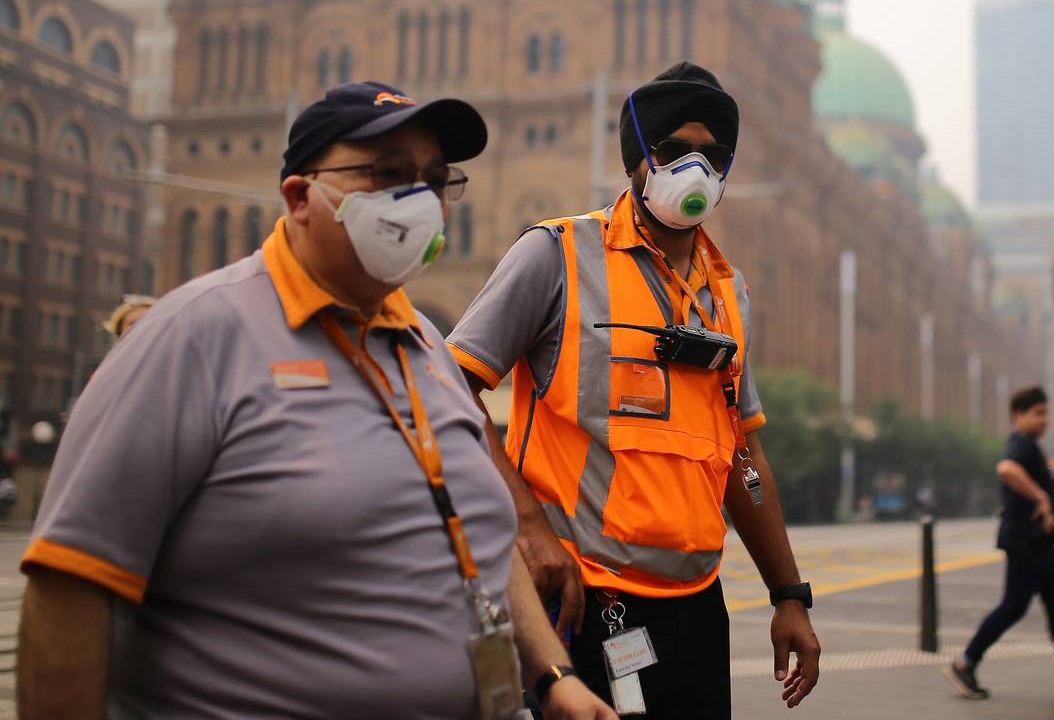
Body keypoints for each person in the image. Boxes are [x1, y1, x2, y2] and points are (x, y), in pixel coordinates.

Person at [17, 82, 614, 720]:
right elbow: (68, 585)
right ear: (301, 197)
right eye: (388, 174)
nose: (420, 199)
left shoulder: (427, 346)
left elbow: (482, 541)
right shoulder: (192, 335)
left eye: (435, 179)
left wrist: (553, 678)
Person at [448, 62, 820, 717]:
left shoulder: (727, 294)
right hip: (584, 600)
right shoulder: (555, 255)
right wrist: (530, 534)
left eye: (713, 155)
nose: (696, 168)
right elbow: (448, 389)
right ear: (635, 159)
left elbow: (742, 455)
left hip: (698, 605)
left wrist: (788, 592)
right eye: (676, 151)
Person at [944, 386, 1054, 701]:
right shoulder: (1021, 443)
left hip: (1039, 544)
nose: (1044, 419)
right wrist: (1042, 496)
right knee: (1014, 606)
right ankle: (964, 663)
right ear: (1017, 415)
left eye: (1046, 412)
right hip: (1026, 542)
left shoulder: (1029, 445)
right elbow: (1006, 469)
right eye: (1037, 413)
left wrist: (1051, 483)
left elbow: (1023, 477)